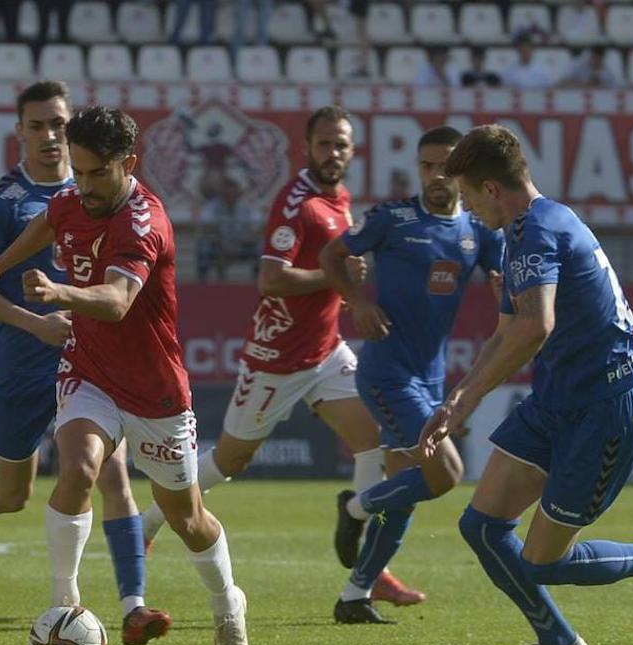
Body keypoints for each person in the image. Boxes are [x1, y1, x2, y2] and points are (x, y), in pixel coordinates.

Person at [0, 106, 249, 645]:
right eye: (76, 173)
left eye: (95, 174)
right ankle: (65, 605)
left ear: (128, 164)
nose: (82, 186)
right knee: (79, 467)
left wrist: (61, 293)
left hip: (155, 392)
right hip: (89, 372)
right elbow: (49, 220)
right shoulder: (74, 197)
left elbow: (117, 301)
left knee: (186, 517)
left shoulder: (143, 221)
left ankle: (228, 603)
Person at [421, 125, 633, 645]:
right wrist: (458, 401)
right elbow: (508, 330)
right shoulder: (526, 230)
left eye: (466, 195)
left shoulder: (537, 231)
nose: (465, 208)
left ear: (488, 187)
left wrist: (468, 400)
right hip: (554, 403)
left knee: (543, 561)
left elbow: (535, 326)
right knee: (482, 525)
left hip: (601, 411)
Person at [0, 83, 170, 645]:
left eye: (58, 124)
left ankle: (134, 607)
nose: (50, 136)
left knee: (112, 475)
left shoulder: (101, 187)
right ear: (19, 132)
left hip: (93, 360)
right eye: (38, 125)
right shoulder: (2, 204)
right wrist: (35, 323)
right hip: (23, 361)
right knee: (11, 492)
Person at [140, 105, 425, 608]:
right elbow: (271, 278)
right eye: (324, 144)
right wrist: (335, 276)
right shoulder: (296, 203)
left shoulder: (339, 199)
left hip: (326, 352)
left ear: (351, 150)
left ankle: (368, 567)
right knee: (230, 461)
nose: (333, 152)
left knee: (373, 440)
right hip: (277, 358)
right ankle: (150, 521)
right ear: (307, 148)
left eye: (342, 144)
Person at [319, 126, 505, 624]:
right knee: (445, 472)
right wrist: (356, 301)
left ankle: (354, 595)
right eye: (427, 165)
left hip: (430, 378)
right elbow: (332, 255)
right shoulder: (393, 219)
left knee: (403, 496)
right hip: (386, 374)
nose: (436, 175)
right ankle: (356, 508)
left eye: (446, 166)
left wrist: (507, 289)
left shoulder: (477, 231)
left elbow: (503, 277)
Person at [197, 176, 262, 281]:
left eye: (233, 192)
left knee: (259, 246)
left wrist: (240, 243)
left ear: (238, 193)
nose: (230, 195)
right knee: (204, 246)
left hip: (242, 246)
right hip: (219, 247)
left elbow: (256, 229)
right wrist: (222, 243)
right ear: (221, 194)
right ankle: (202, 283)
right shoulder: (212, 207)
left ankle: (258, 281)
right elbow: (207, 228)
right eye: (227, 193)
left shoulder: (248, 207)